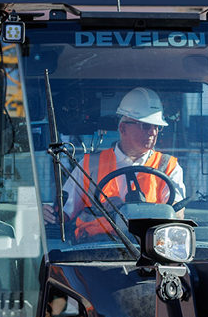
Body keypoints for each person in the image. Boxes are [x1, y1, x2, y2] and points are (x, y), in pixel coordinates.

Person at [64, 87, 185, 238]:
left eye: (157, 127)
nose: (153, 132)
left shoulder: (168, 167)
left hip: (149, 250)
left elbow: (176, 214)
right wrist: (49, 213)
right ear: (123, 128)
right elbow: (64, 211)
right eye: (145, 125)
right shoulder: (90, 165)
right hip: (94, 251)